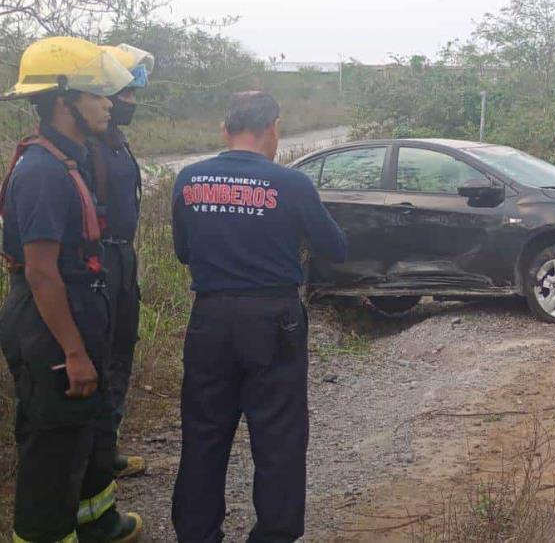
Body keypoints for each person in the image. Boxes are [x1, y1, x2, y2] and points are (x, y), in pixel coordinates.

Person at [170, 91, 347, 543]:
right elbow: (336, 248)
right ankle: (273, 534)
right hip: (273, 320)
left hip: (209, 319)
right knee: (279, 439)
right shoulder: (291, 184)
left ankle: (196, 534)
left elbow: (184, 252)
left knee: (204, 434)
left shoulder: (189, 180)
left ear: (224, 130)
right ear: (272, 128)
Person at [0, 36, 144, 543]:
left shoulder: (72, 157)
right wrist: (74, 351)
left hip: (74, 318)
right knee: (52, 447)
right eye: (95, 94)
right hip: (49, 330)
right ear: (64, 101)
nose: (109, 104)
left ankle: (94, 522)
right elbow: (41, 271)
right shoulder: (41, 171)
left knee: (81, 432)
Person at [88, 44, 155, 480]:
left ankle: (106, 449)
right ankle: (92, 457)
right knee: (100, 356)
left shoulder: (116, 141)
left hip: (122, 258)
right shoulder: (85, 145)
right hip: (100, 260)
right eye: (126, 94)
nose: (131, 103)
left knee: (120, 352)